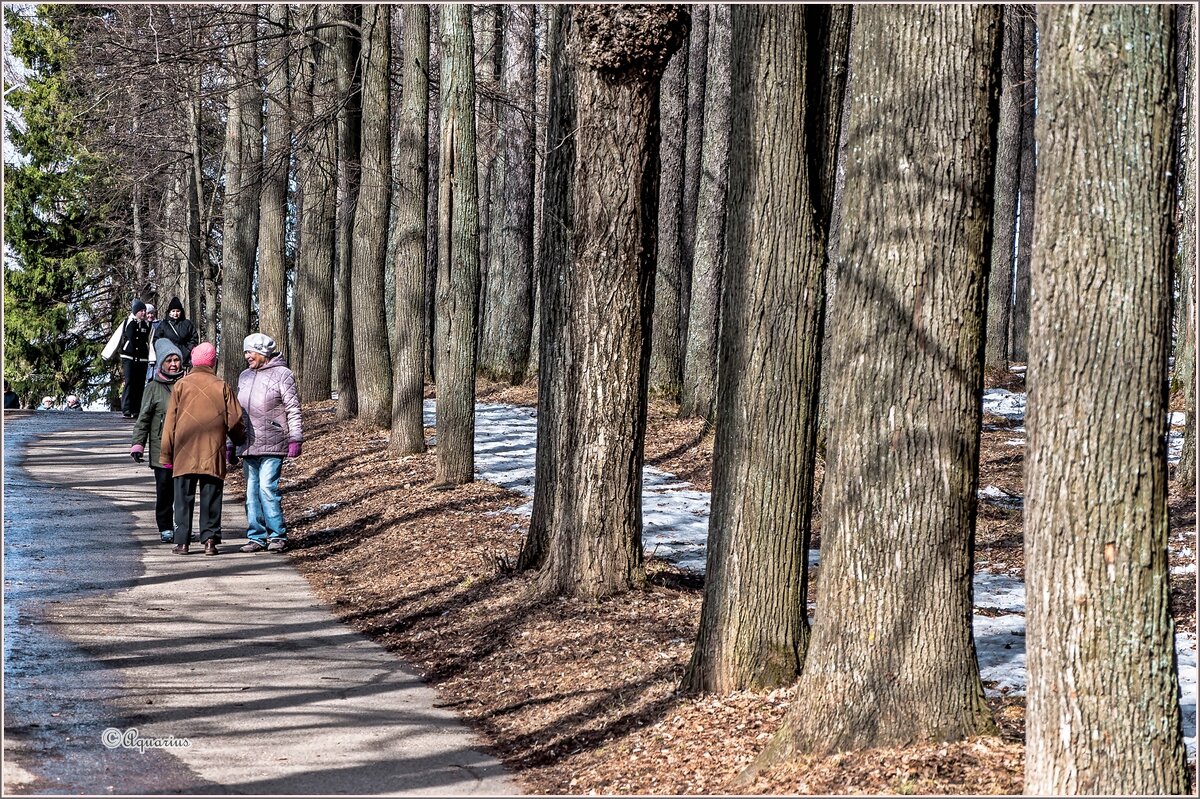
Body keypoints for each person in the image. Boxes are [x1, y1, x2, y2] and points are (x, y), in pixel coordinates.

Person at [159, 342, 245, 556]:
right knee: (211, 496)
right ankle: (210, 542)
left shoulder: (180, 385)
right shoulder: (222, 385)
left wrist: (166, 454)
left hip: (183, 452)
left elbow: (170, 423)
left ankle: (182, 543)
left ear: (194, 362)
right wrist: (238, 441)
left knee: (182, 498)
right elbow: (234, 419)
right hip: (212, 451)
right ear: (213, 362)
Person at [236, 333, 303, 553]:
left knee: (267, 488)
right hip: (248, 443)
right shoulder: (244, 376)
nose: (247, 356)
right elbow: (236, 413)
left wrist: (295, 437)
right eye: (246, 351)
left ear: (263, 352)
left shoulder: (282, 374)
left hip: (273, 441)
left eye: (251, 352)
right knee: (251, 492)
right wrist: (231, 442)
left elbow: (293, 408)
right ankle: (256, 536)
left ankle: (277, 535)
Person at [132, 340, 187, 544]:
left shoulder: (187, 383)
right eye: (169, 360)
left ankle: (182, 526)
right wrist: (138, 444)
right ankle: (165, 527)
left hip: (185, 448)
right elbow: (144, 418)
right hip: (160, 448)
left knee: (182, 492)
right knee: (165, 491)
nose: (174, 364)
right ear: (162, 363)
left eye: (177, 360)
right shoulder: (153, 388)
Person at [118, 299, 151, 418]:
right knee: (129, 381)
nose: (143, 313)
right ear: (135, 311)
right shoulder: (129, 322)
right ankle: (126, 408)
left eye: (144, 311)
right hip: (129, 356)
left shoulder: (146, 324)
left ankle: (137, 408)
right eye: (141, 311)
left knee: (140, 383)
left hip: (142, 358)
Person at [156, 297, 199, 368]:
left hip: (185, 359)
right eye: (173, 311)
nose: (175, 313)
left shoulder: (187, 323)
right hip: (168, 358)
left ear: (181, 312)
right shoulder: (164, 325)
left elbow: (194, 338)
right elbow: (157, 340)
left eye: (177, 311)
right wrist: (163, 352)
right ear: (169, 312)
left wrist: (188, 350)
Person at [144, 304, 158, 383]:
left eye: (152, 313)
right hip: (145, 356)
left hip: (155, 356)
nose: (150, 315)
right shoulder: (141, 325)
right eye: (148, 313)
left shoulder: (158, 324)